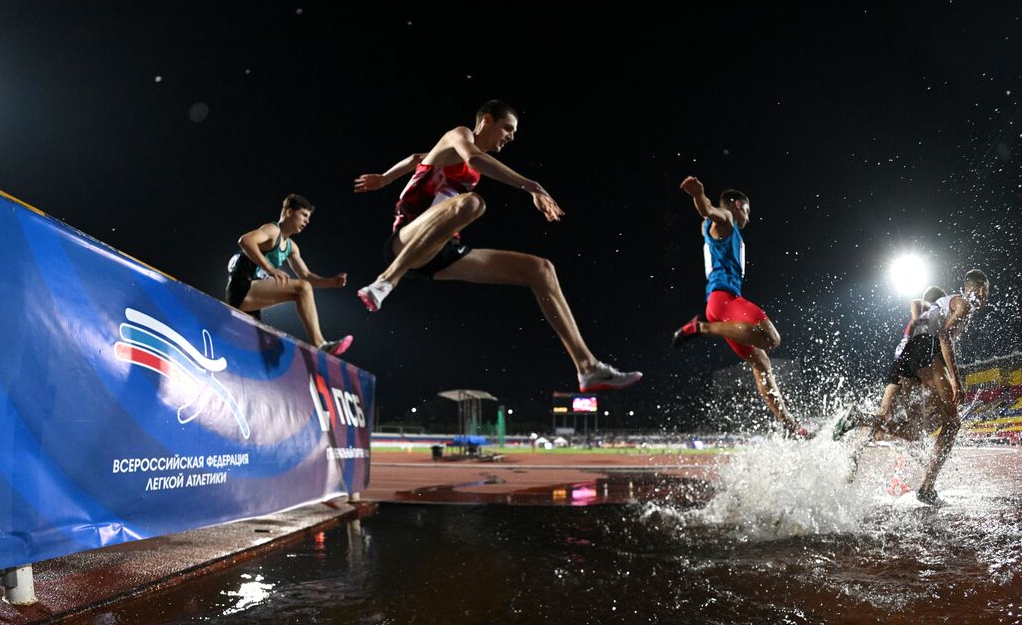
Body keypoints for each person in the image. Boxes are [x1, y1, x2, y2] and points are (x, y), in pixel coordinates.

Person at [352, 100, 641, 393]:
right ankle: (386, 280)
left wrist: (386, 177)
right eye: (508, 128)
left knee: (541, 270)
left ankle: (588, 367)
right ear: (486, 120)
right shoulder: (459, 134)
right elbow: (474, 158)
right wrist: (532, 186)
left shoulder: (456, 160)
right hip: (406, 239)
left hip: (441, 251)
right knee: (472, 203)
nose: (511, 137)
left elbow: (417, 158)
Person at [834, 270, 991, 505]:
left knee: (914, 432)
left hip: (907, 357)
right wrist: (956, 381)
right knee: (953, 422)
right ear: (978, 289)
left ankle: (858, 418)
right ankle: (927, 488)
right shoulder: (962, 304)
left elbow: (923, 314)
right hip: (925, 349)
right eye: (985, 292)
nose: (985, 298)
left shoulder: (945, 305)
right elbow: (944, 336)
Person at [669, 176, 806, 437]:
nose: (748, 218)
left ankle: (789, 425)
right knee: (772, 339)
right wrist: (698, 194)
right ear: (735, 204)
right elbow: (709, 210)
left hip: (718, 305)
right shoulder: (727, 220)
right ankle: (701, 328)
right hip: (725, 300)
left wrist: (705, 204)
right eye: (747, 210)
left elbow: (708, 214)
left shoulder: (716, 227)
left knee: (762, 363)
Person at [226, 194, 352, 356]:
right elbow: (245, 241)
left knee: (269, 351)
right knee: (302, 288)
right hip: (241, 289)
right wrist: (270, 269)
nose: (307, 221)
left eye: (309, 217)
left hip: (253, 299)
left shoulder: (291, 247)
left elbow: (306, 276)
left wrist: (331, 282)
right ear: (289, 212)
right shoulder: (273, 231)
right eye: (304, 215)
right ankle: (321, 344)